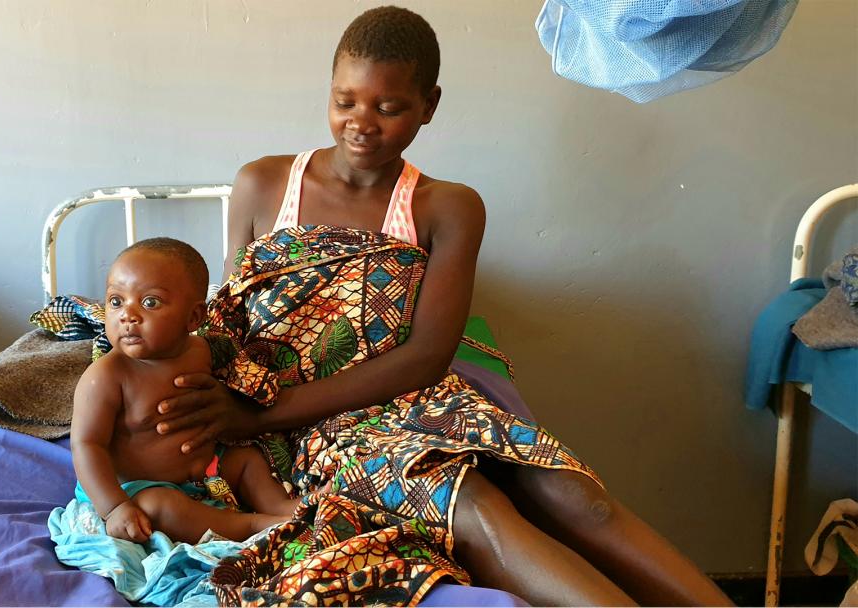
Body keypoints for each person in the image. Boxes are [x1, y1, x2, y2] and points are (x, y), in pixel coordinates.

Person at [153, 6, 734, 607]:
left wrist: (260, 417)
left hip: (411, 396)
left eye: (389, 107)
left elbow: (427, 356)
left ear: (429, 106)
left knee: (579, 500)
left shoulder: (446, 207)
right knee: (477, 504)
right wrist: (225, 403)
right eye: (345, 101)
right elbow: (230, 317)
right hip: (311, 429)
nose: (361, 124)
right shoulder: (263, 184)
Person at [69, 238, 303, 545]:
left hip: (207, 471)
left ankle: (283, 507)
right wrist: (113, 507)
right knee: (161, 508)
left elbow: (247, 380)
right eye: (116, 301)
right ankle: (251, 525)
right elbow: (86, 444)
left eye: (150, 302)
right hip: (136, 488)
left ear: (194, 318)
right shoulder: (107, 376)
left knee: (246, 459)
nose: (127, 315)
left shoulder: (203, 351)